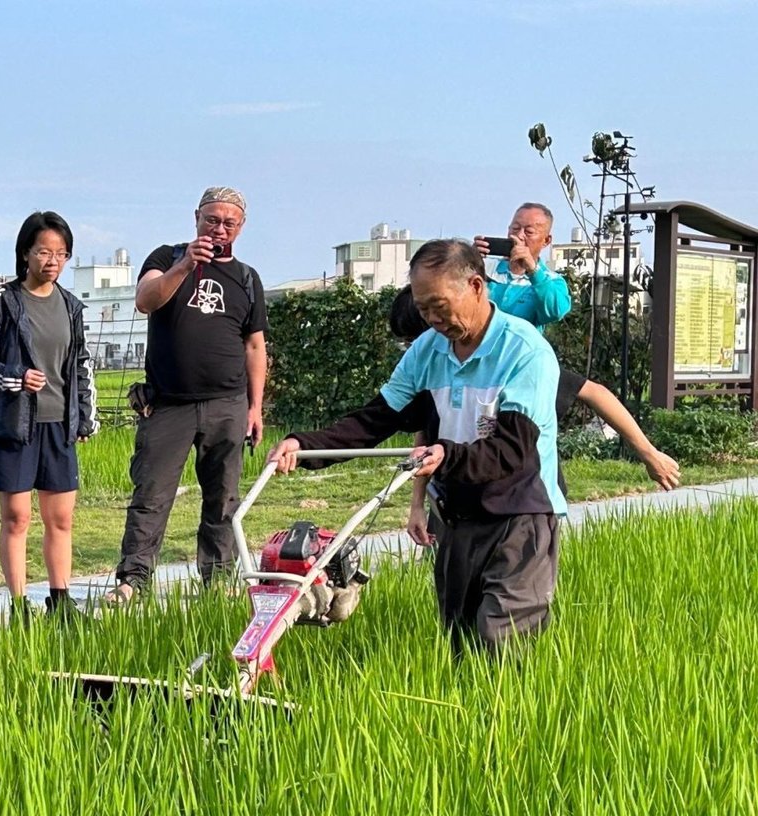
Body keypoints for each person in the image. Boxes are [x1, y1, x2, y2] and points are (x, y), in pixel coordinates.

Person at [268, 239, 563, 655]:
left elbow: (512, 451)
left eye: (439, 305)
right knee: (460, 638)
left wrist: (447, 455)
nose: (431, 318)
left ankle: (510, 719)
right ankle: (470, 720)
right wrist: (305, 445)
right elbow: (377, 419)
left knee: (501, 638)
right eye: (423, 308)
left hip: (518, 513)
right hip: (456, 515)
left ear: (476, 285)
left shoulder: (524, 350)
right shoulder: (428, 350)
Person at [388, 286, 678, 549]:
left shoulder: (516, 364)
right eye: (407, 345)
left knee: (515, 595)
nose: (416, 351)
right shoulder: (434, 369)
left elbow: (596, 393)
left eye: (415, 340)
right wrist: (417, 505)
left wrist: (648, 453)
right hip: (453, 501)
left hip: (520, 504)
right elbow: (426, 436)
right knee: (459, 600)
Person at [108, 185, 267, 603]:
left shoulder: (247, 279)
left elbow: (255, 346)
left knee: (223, 498)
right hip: (168, 404)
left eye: (228, 223)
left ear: (241, 227)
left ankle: (217, 582)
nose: (218, 229)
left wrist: (255, 407)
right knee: (151, 494)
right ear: (195, 216)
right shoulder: (166, 256)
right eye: (211, 220)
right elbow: (145, 300)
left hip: (227, 404)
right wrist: (183, 267)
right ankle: (133, 580)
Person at [0, 211, 97, 621]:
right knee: (17, 517)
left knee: (60, 518)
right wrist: (16, 378)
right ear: (26, 253)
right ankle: (18, 603)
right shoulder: (3, 300)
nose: (52, 261)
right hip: (14, 424)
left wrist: (85, 416)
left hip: (58, 424)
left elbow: (80, 362)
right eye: (44, 251)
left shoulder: (71, 305)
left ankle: (60, 601)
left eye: (62, 254)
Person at [476, 202, 572, 329]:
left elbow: (555, 312)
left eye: (529, 231)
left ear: (546, 241)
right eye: (515, 228)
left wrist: (533, 271)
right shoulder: (484, 268)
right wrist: (466, 261)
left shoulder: (552, 280)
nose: (519, 235)